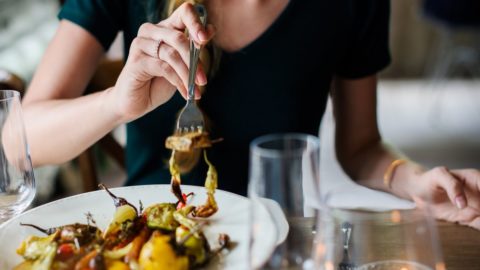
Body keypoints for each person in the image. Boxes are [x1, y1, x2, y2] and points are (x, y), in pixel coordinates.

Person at [22, 0, 480, 229]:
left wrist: (414, 180)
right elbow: (18, 142)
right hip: (150, 240)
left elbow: (361, 149)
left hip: (279, 241)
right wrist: (117, 104)